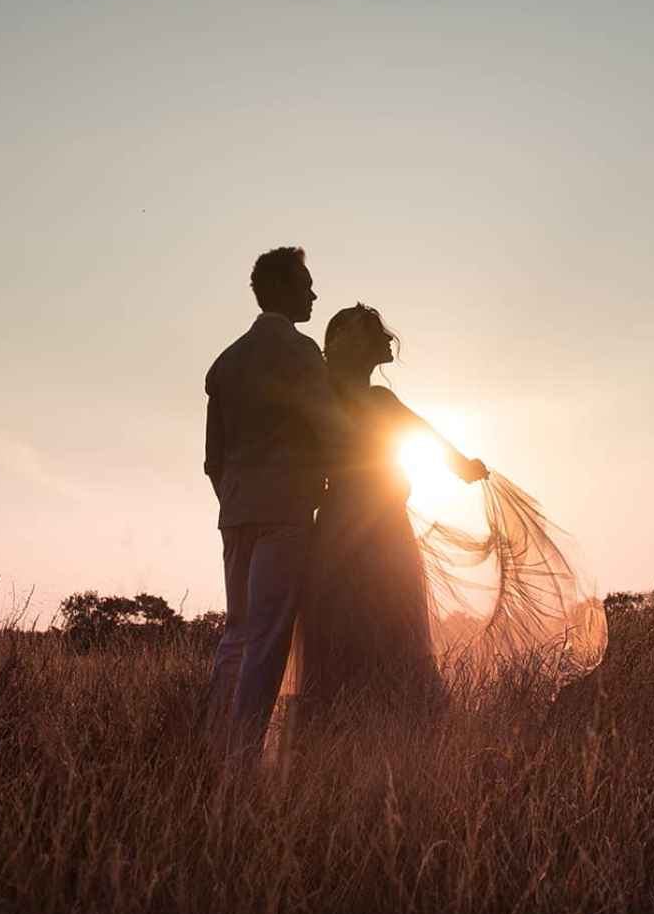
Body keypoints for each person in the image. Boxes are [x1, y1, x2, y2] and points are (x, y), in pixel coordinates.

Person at [289, 303, 487, 734]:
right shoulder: (357, 399)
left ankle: (349, 739)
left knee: (361, 631)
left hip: (345, 528)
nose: (388, 339)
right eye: (376, 331)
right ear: (351, 342)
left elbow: (425, 437)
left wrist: (463, 467)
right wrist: (462, 466)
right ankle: (393, 734)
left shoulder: (344, 398)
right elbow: (427, 438)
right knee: (383, 628)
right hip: (365, 531)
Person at [203, 247, 348, 760]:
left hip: (235, 512)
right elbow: (330, 428)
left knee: (237, 633)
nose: (313, 294)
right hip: (285, 513)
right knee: (269, 638)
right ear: (284, 288)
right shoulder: (301, 352)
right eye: (306, 284)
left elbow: (212, 459)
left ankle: (213, 746)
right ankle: (242, 756)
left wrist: (237, 499)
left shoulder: (224, 362)